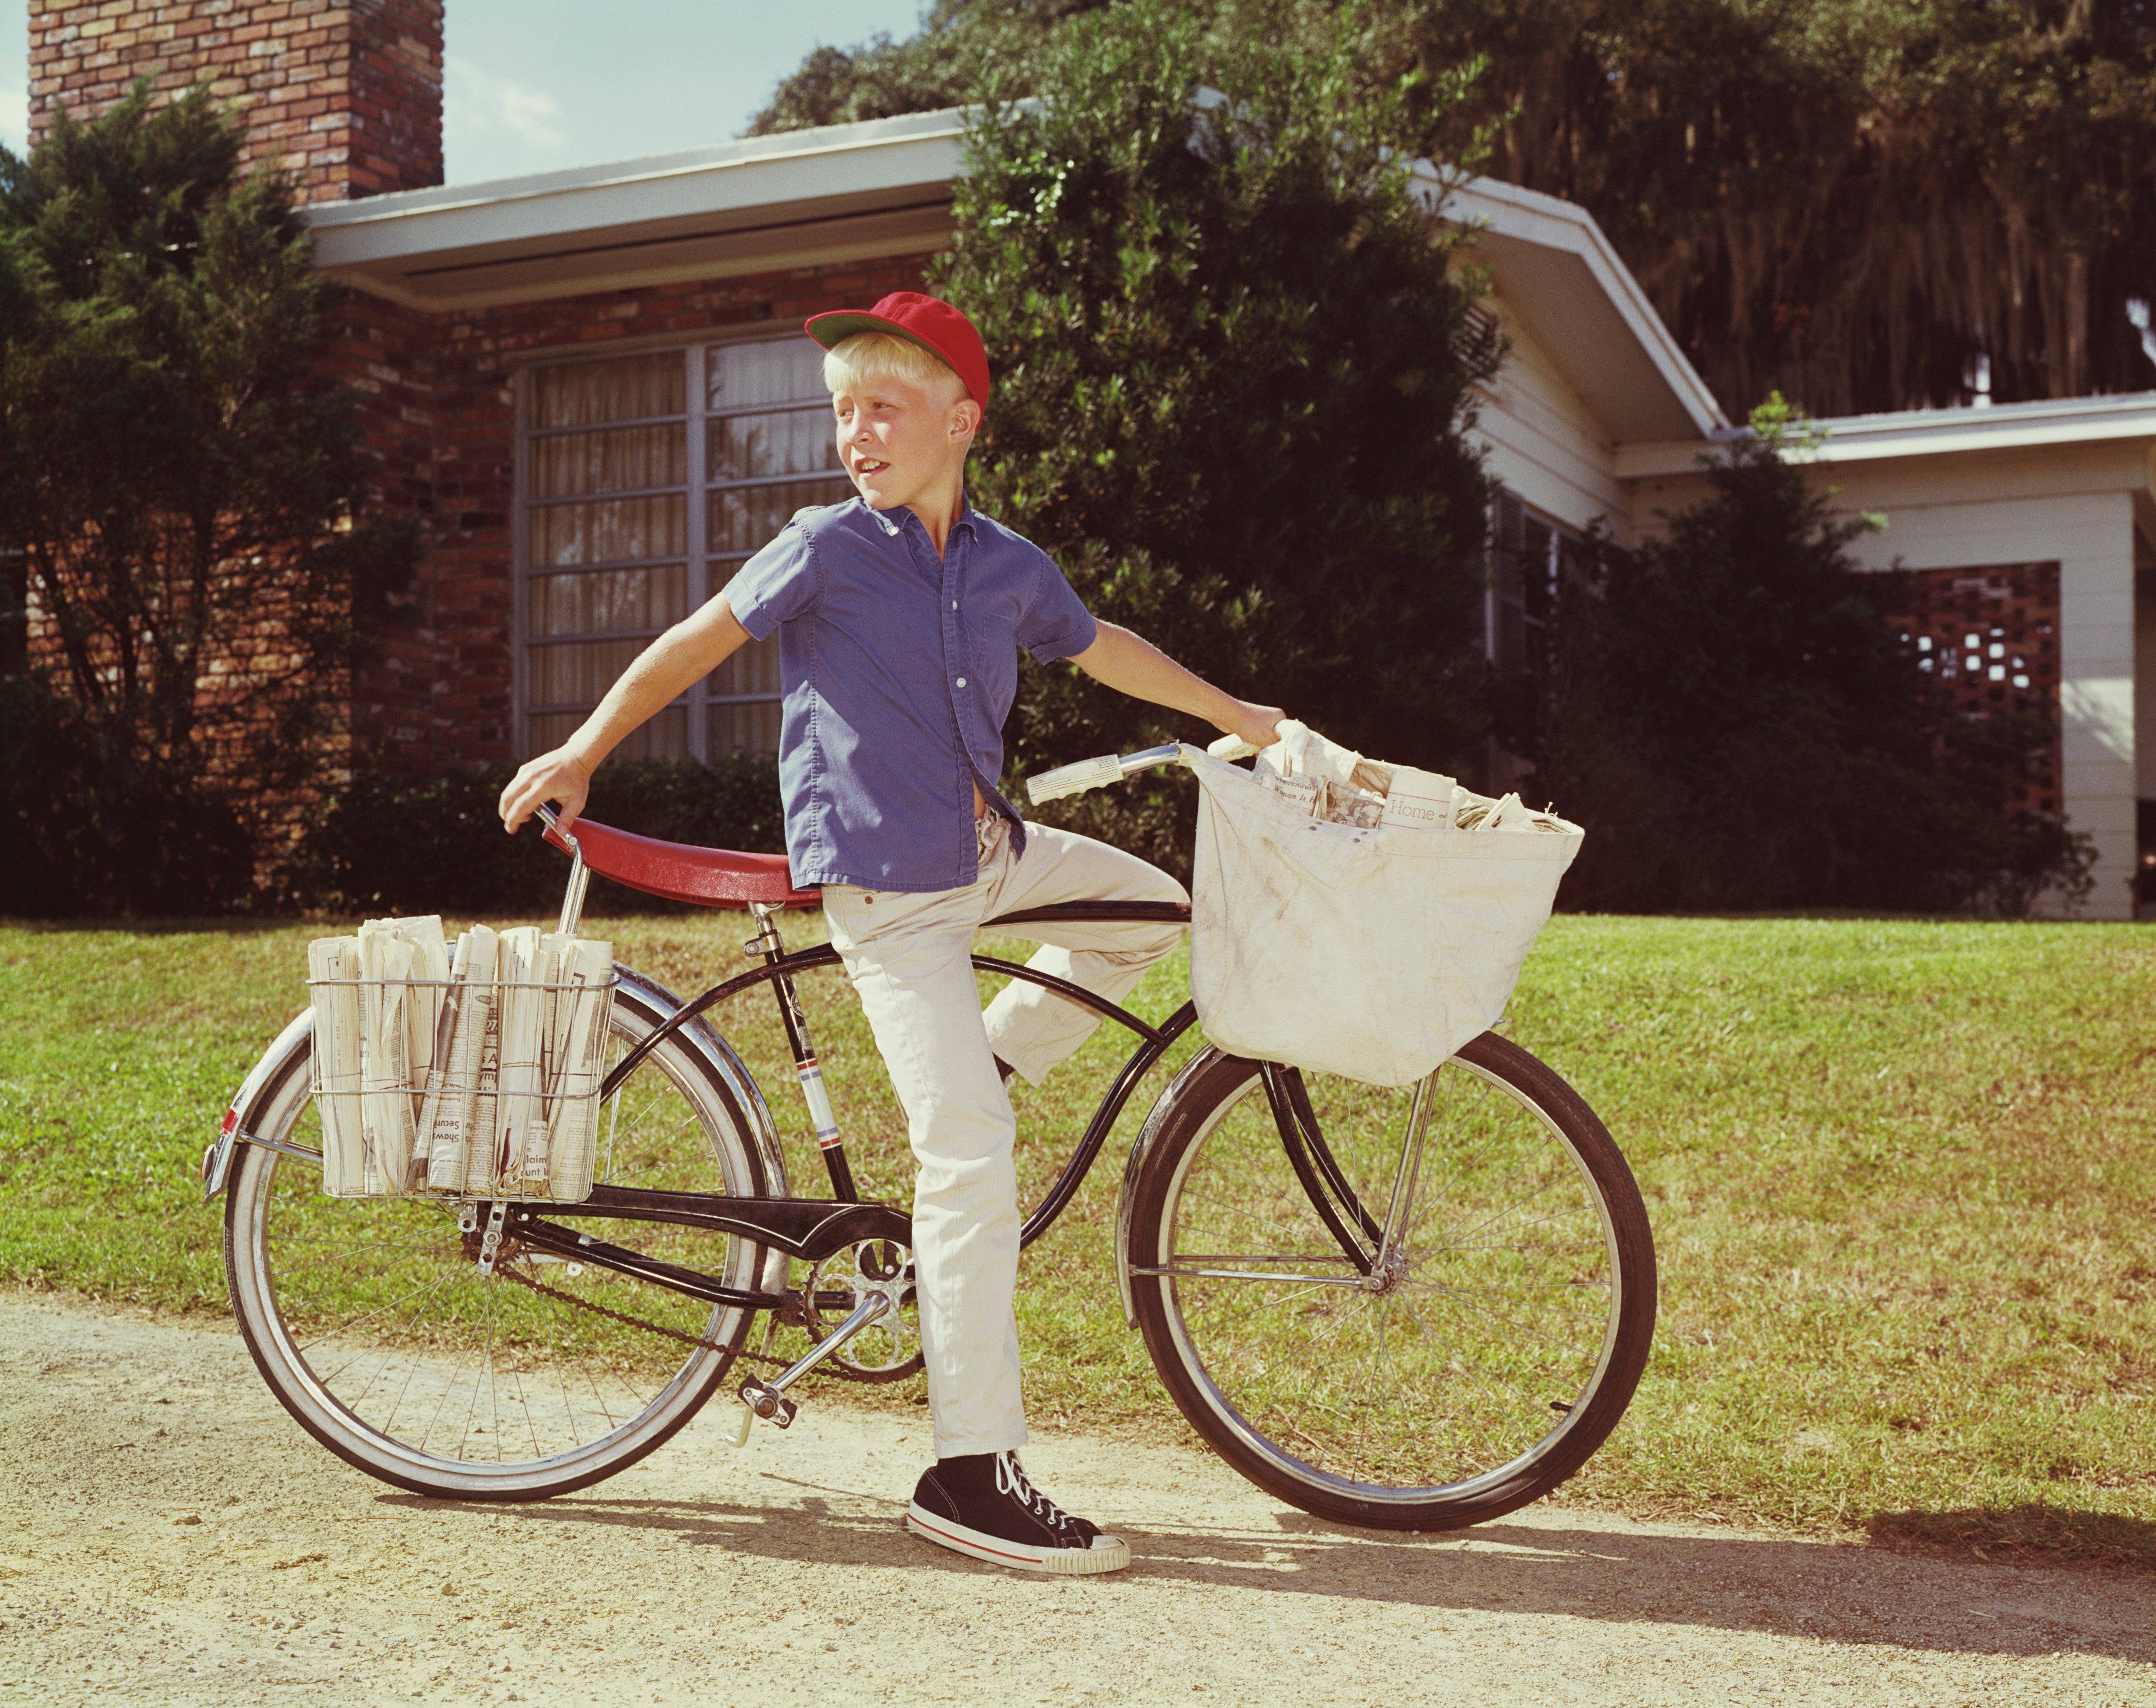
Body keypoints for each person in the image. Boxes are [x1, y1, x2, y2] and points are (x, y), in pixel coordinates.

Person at [500, 291, 1282, 1575]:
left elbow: (1105, 649)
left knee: (1154, 911)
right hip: (886, 888)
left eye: (883, 409)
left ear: (960, 421)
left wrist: (1237, 713)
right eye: (842, 412)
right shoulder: (823, 545)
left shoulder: (1008, 565)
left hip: (992, 855)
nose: (855, 433)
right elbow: (695, 641)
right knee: (967, 1158)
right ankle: (968, 1471)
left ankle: (980, 1072)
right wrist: (585, 750)